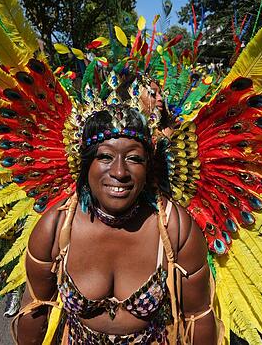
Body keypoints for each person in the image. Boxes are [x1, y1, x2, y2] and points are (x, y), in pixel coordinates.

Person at [12, 105, 219, 343]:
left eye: (133, 158)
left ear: (148, 166)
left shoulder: (175, 228)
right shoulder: (56, 227)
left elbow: (199, 316)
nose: (120, 171)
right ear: (86, 164)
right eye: (105, 157)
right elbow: (35, 309)